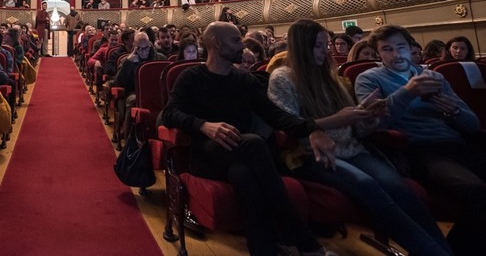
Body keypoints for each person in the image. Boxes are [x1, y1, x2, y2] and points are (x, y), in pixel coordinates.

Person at [268, 19, 451, 256]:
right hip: (313, 155)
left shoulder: (331, 77)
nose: (326, 51)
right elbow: (288, 125)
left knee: (399, 187)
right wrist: (335, 121)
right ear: (302, 47)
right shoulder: (283, 77)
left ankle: (444, 250)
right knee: (369, 187)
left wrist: (369, 116)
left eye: (327, 44)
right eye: (318, 46)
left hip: (353, 148)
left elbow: (357, 129)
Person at [161, 21, 336, 255]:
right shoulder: (191, 77)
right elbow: (170, 114)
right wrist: (204, 126)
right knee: (253, 142)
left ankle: (263, 248)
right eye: (235, 40)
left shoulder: (245, 80)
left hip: (240, 156)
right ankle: (303, 239)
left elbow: (276, 116)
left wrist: (313, 128)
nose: (242, 46)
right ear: (215, 43)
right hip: (206, 157)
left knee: (243, 175)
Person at [354, 24, 486, 255]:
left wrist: (455, 112)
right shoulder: (369, 79)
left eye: (401, 47)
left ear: (410, 47)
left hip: (456, 142)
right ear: (379, 53)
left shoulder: (433, 77)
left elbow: (472, 124)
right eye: (387, 49)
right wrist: (408, 92)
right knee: (474, 189)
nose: (396, 55)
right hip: (419, 149)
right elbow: (373, 125)